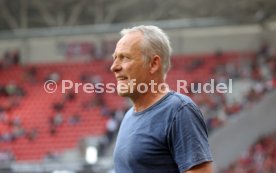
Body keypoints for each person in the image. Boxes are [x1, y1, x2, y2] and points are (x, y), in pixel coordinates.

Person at [110, 25, 213, 173]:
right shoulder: (128, 116)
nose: (114, 67)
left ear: (153, 64)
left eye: (124, 58)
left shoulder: (179, 111)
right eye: (115, 58)